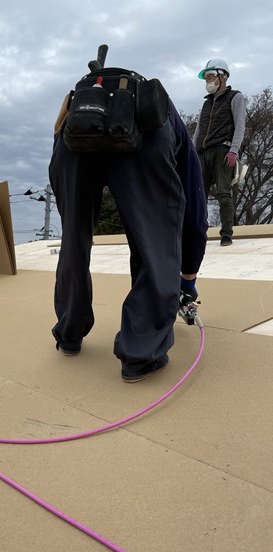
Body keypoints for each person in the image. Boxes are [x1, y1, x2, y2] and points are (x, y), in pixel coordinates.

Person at [49, 65, 208, 382]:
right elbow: (193, 209)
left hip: (74, 131)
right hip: (143, 130)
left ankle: (69, 334)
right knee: (155, 240)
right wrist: (187, 276)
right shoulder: (163, 113)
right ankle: (141, 353)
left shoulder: (78, 103)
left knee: (74, 240)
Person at [193, 58, 247, 247]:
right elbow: (198, 130)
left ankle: (226, 234)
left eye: (210, 76)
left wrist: (234, 150)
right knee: (198, 194)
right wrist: (192, 153)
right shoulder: (206, 104)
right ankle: (198, 233)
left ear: (222, 76)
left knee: (224, 193)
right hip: (202, 153)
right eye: (206, 78)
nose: (208, 81)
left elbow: (240, 125)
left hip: (223, 150)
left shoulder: (235, 97)